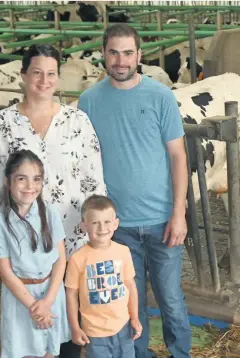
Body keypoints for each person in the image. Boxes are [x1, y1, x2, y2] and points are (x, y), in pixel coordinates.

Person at [0, 44, 107, 358]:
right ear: (23, 76)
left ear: (58, 79)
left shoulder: (78, 121)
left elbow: (95, 184)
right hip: (24, 252)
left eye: (51, 74)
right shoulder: (1, 124)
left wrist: (99, 237)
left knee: (70, 323)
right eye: (36, 72)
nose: (44, 80)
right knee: (30, 323)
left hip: (74, 241)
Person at [77, 23, 190, 358]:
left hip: (162, 221)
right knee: (129, 298)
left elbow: (178, 156)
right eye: (114, 52)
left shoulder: (160, 96)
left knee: (171, 299)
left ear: (139, 56)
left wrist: (179, 213)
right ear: (103, 55)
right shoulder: (88, 102)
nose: (121, 60)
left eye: (128, 53)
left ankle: (180, 354)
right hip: (116, 227)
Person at [0, 149, 71, 358]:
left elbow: (61, 260)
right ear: (8, 181)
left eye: (36, 179)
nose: (30, 186)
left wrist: (47, 302)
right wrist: (35, 308)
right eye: (21, 179)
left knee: (50, 350)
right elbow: (5, 272)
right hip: (21, 298)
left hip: (51, 292)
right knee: (26, 351)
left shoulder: (50, 212)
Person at [65, 194, 143, 358]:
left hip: (123, 326)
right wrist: (75, 327)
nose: (102, 228)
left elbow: (131, 287)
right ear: (84, 225)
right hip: (95, 332)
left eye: (107, 222)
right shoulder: (77, 259)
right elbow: (71, 294)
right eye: (95, 223)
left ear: (116, 224)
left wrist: (134, 318)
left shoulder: (123, 252)